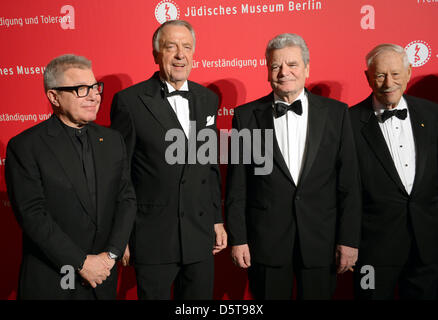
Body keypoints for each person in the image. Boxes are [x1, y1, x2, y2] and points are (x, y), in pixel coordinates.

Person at [225, 33, 361, 300]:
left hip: (322, 241)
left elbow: (349, 184)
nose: (283, 72)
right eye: (275, 66)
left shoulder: (337, 114)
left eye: (292, 64)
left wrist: (349, 240)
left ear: (307, 69)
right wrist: (238, 238)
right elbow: (237, 184)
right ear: (267, 71)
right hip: (266, 242)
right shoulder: (246, 116)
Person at [110, 20, 227, 300]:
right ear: (156, 54)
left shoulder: (208, 99)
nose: (180, 54)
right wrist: (120, 235)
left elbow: (209, 166)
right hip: (153, 236)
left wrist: (216, 219)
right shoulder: (129, 101)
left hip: (199, 236)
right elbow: (119, 173)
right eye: (171, 46)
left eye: (187, 47)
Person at [5, 54, 136, 299]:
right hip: (53, 280)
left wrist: (110, 256)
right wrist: (82, 263)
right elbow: (33, 215)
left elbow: (126, 199)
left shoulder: (112, 141)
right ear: (53, 96)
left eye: (95, 87)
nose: (94, 96)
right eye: (80, 89)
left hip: (103, 279)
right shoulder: (26, 146)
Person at [349, 44, 438, 299]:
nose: (389, 82)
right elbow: (345, 191)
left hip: (427, 247)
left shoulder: (433, 115)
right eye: (380, 75)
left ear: (409, 73)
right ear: (367, 77)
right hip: (373, 249)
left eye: (396, 74)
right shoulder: (349, 122)